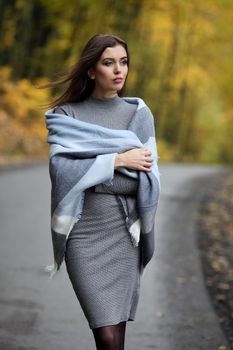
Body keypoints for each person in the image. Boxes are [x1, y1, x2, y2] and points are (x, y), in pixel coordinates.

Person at [43, 33, 160, 350]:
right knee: (106, 335)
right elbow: (62, 172)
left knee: (115, 340)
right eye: (109, 63)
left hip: (123, 234)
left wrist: (92, 172)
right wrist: (118, 160)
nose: (118, 70)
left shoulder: (138, 114)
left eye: (123, 62)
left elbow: (144, 181)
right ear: (92, 70)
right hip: (83, 235)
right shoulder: (66, 117)